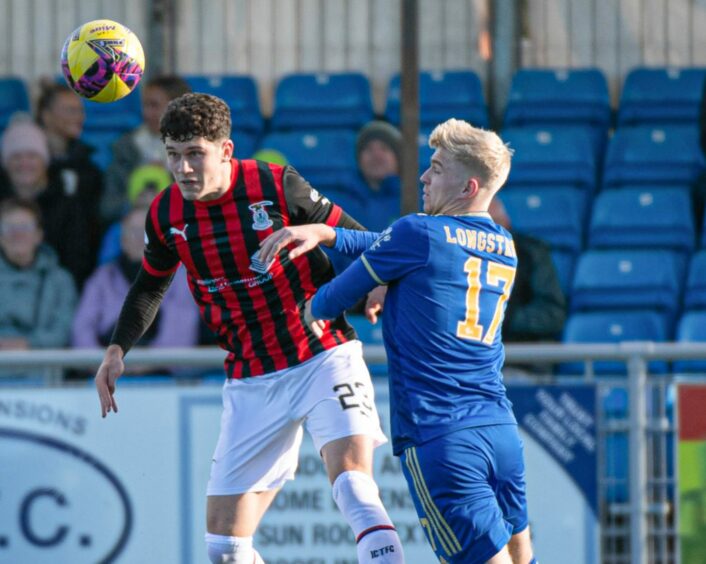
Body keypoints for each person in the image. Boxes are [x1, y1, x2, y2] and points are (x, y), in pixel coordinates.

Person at [93, 93, 405, 564]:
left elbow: (356, 237)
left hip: (323, 352)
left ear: (225, 149)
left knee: (355, 487)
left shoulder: (276, 185)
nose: (183, 169)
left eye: (195, 153)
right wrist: (117, 348)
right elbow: (148, 287)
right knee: (224, 549)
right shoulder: (165, 214)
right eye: (173, 156)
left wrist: (377, 282)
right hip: (252, 377)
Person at [260, 118, 536, 563]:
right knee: (522, 552)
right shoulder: (503, 242)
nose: (424, 177)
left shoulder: (417, 234)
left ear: (466, 187)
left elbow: (338, 295)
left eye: (437, 168)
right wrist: (329, 233)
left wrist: (312, 310)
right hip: (499, 428)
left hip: (441, 434)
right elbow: (400, 247)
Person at [72, 205, 199, 354]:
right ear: (122, 241)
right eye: (133, 232)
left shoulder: (179, 278)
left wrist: (141, 365)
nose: (140, 239)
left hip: (161, 373)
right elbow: (81, 330)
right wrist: (105, 363)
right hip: (105, 369)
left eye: (146, 232)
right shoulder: (102, 278)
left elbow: (181, 336)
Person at [0, 115, 100, 287]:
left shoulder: (68, 204)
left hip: (55, 295)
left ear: (44, 161)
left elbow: (78, 261)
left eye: (32, 156)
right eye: (16, 156)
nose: (24, 163)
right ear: (6, 163)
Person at [101, 74, 191, 223]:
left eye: (154, 105)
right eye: (145, 105)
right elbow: (107, 207)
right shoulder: (125, 148)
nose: (147, 113)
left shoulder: (200, 150)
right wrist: (133, 203)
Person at [0, 198, 76, 352]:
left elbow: (63, 330)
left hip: (43, 369)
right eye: (9, 228)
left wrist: (29, 344)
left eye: (25, 227)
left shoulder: (61, 280)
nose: (17, 234)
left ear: (38, 235)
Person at [488, 198, 566, 342]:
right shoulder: (457, 257)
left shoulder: (530, 253)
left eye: (494, 224)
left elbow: (552, 314)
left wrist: (504, 318)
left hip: (522, 354)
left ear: (506, 222)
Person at [35, 80, 104, 214]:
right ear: (46, 115)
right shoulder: (28, 160)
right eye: (70, 111)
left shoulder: (86, 164)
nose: (79, 117)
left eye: (80, 111)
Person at [353, 120, 402, 231]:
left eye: (384, 148)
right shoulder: (345, 201)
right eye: (368, 149)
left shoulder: (419, 201)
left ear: (398, 159)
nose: (376, 155)